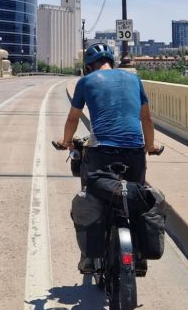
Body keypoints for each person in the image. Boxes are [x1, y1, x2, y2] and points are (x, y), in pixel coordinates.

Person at [60, 42, 158, 273]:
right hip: (135, 151)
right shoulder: (134, 79)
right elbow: (146, 118)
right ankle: (140, 255)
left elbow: (73, 118)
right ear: (111, 62)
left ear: (89, 66)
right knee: (136, 195)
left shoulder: (86, 81)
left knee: (91, 194)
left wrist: (66, 141)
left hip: (101, 151)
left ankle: (88, 257)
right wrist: (150, 145)